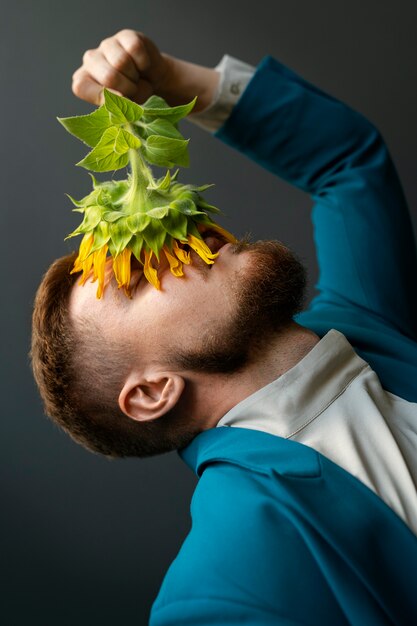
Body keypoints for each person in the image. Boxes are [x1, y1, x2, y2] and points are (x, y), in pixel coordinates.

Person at [31, 30, 417, 625]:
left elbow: (345, 163)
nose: (180, 239)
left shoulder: (365, 320)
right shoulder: (225, 582)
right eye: (137, 277)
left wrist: (168, 81)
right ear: (154, 391)